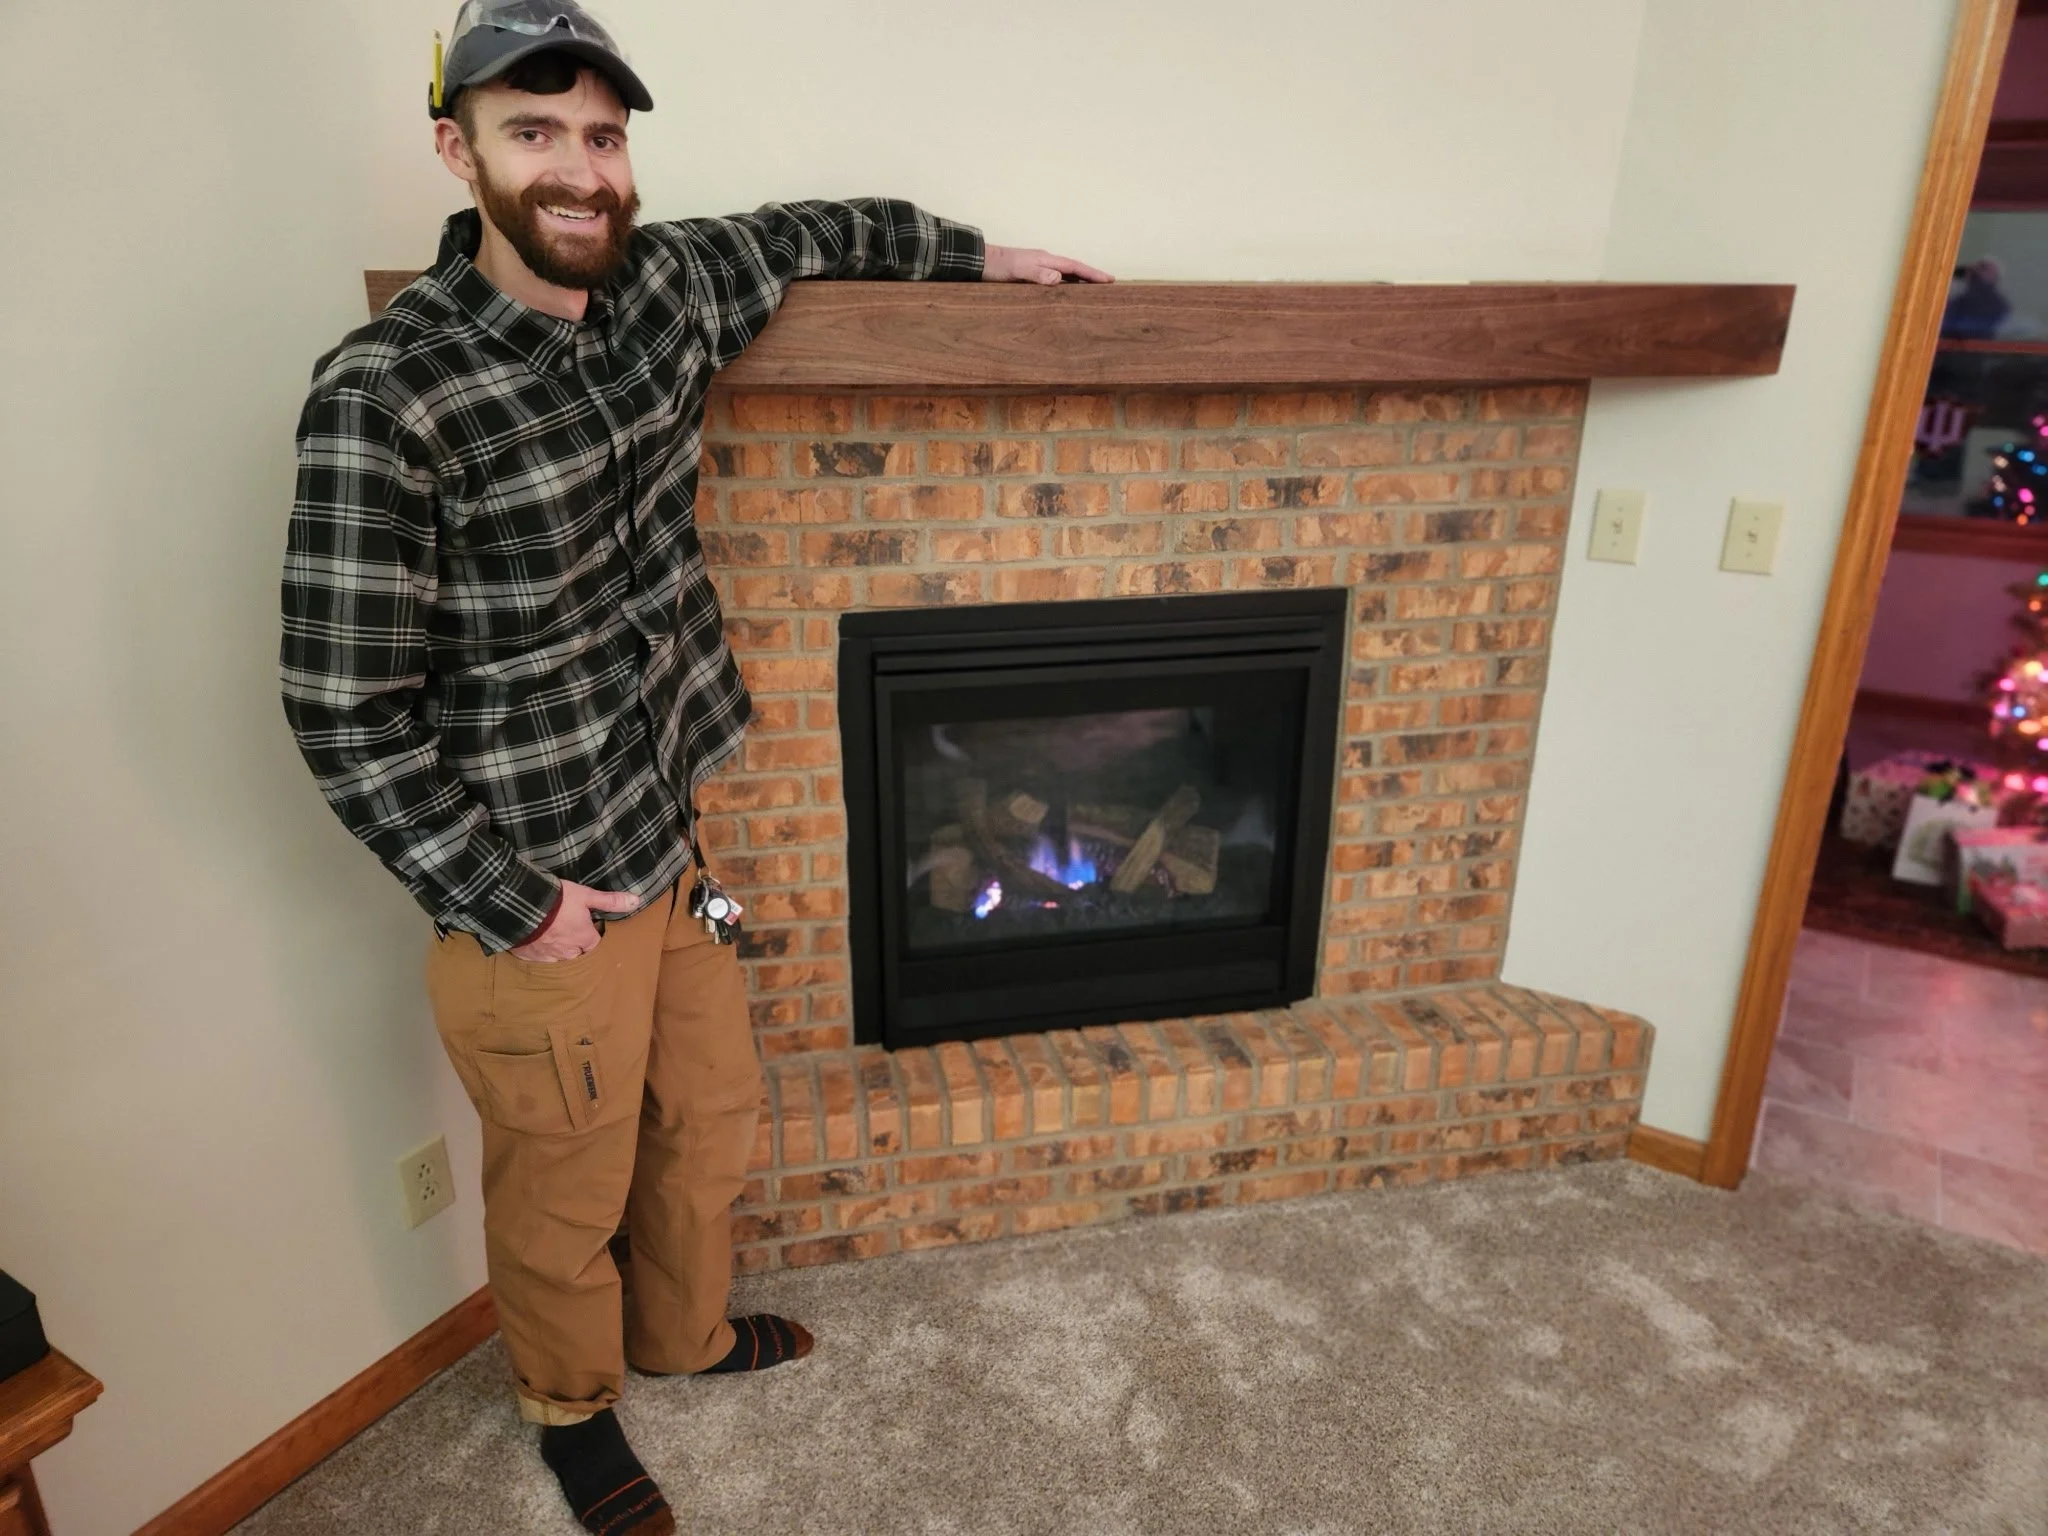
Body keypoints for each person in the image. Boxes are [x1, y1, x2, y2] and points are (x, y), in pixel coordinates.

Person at [278, 3, 1109, 1530]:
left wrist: (975, 257)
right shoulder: (385, 395)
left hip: (670, 841)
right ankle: (570, 1407)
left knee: (707, 1118)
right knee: (565, 1187)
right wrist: (519, 905)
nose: (580, 169)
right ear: (458, 150)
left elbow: (810, 228)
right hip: (542, 895)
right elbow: (343, 712)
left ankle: (684, 1336)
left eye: (602, 135)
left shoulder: (664, 287)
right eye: (535, 133)